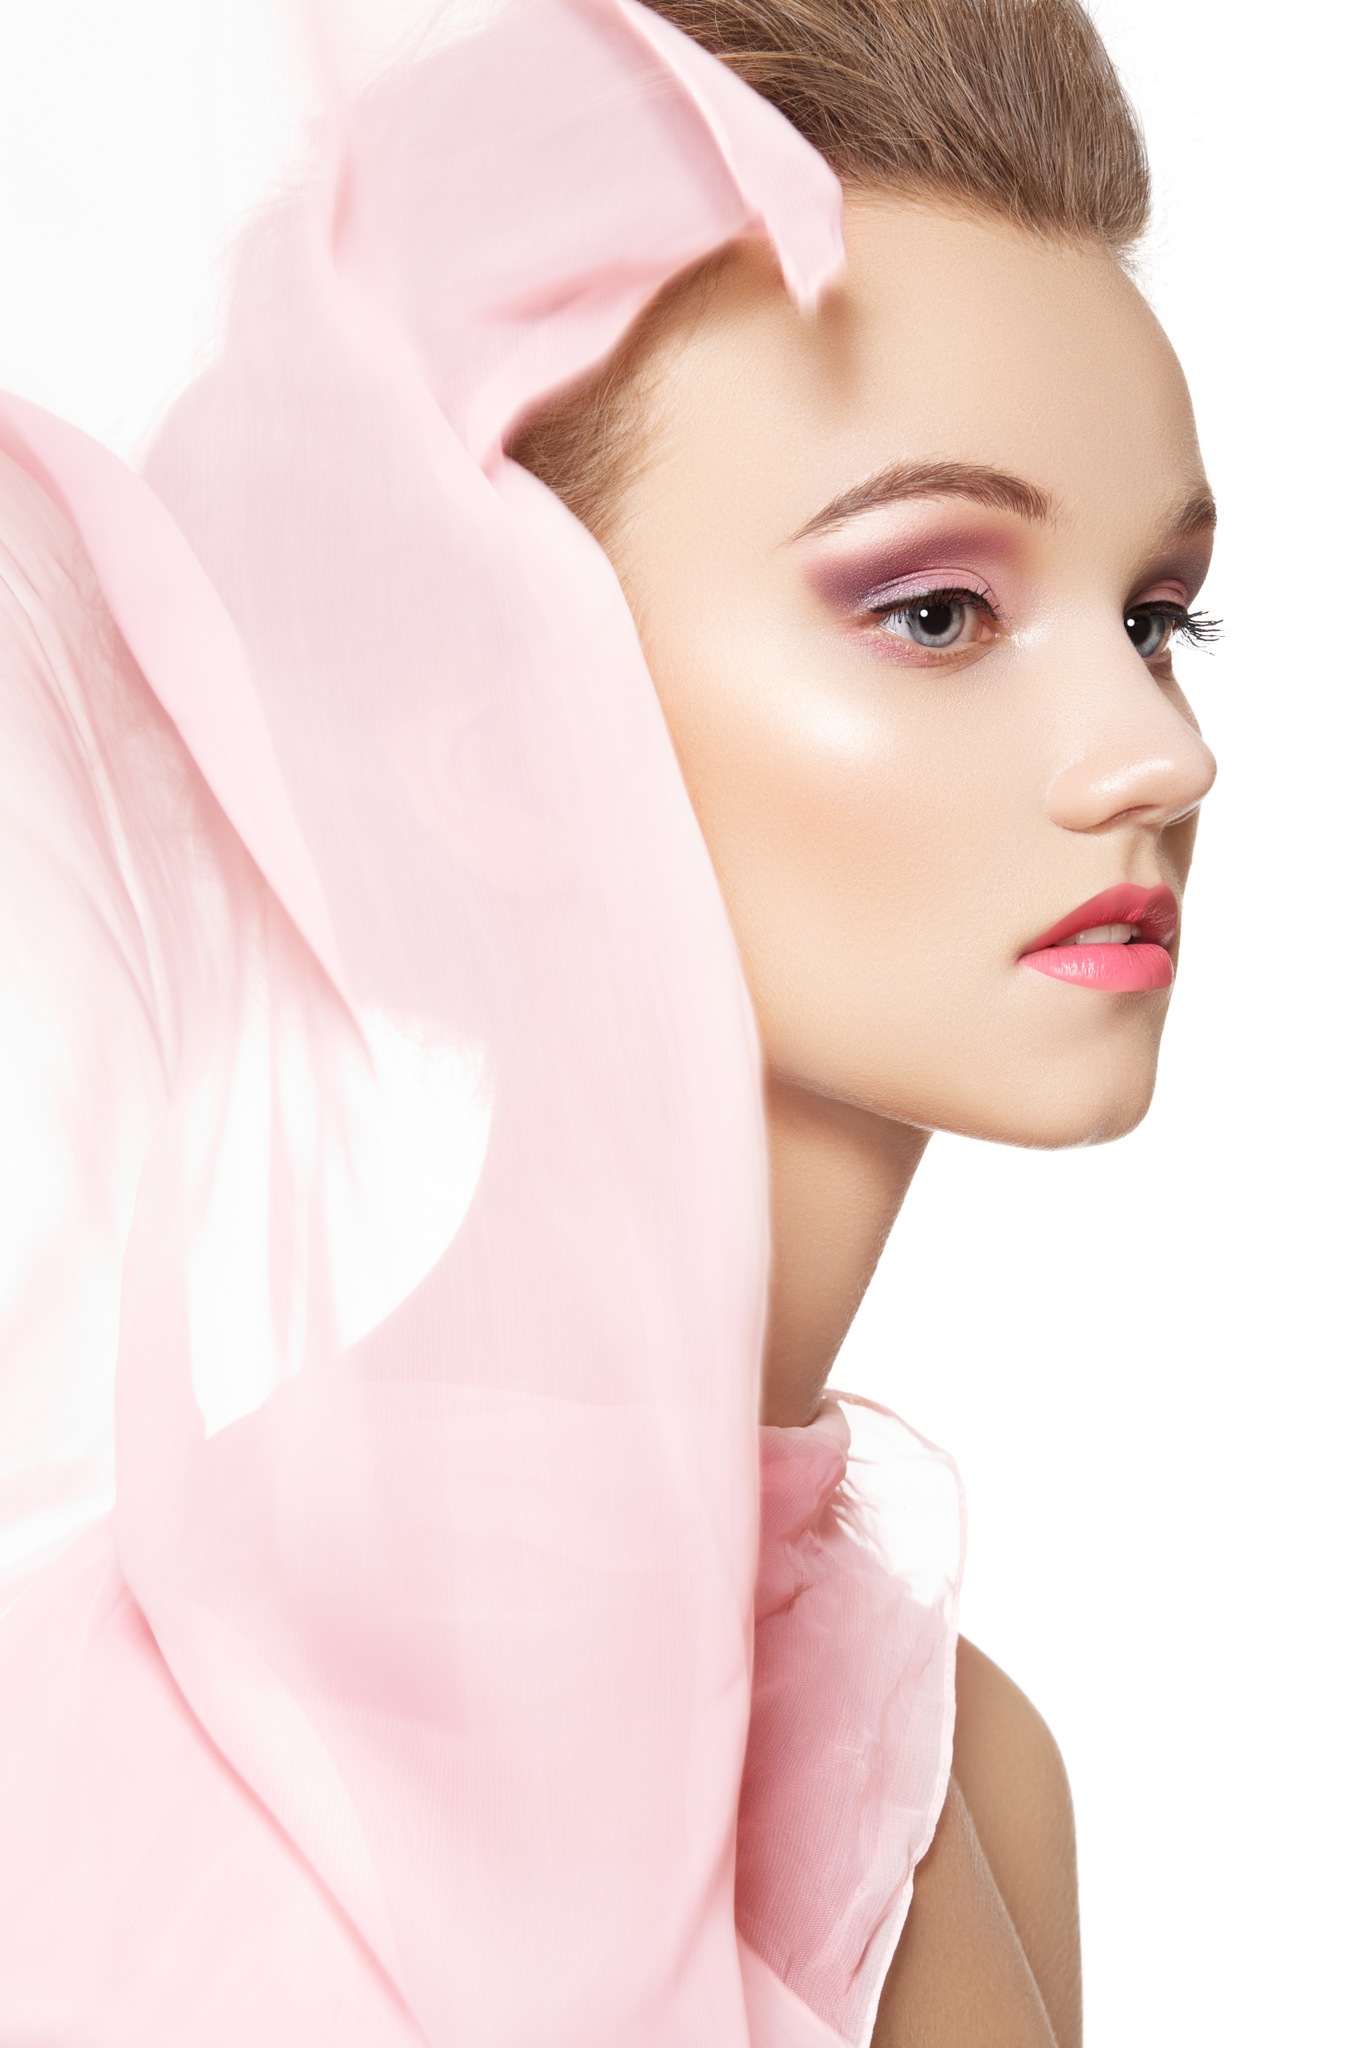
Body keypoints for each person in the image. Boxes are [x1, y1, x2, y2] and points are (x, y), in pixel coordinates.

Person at [0, 1, 1215, 2041]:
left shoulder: (960, 1760)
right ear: (495, 734)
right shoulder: (201, 1762)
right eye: (933, 609)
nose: (1157, 756)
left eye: (1155, 617)